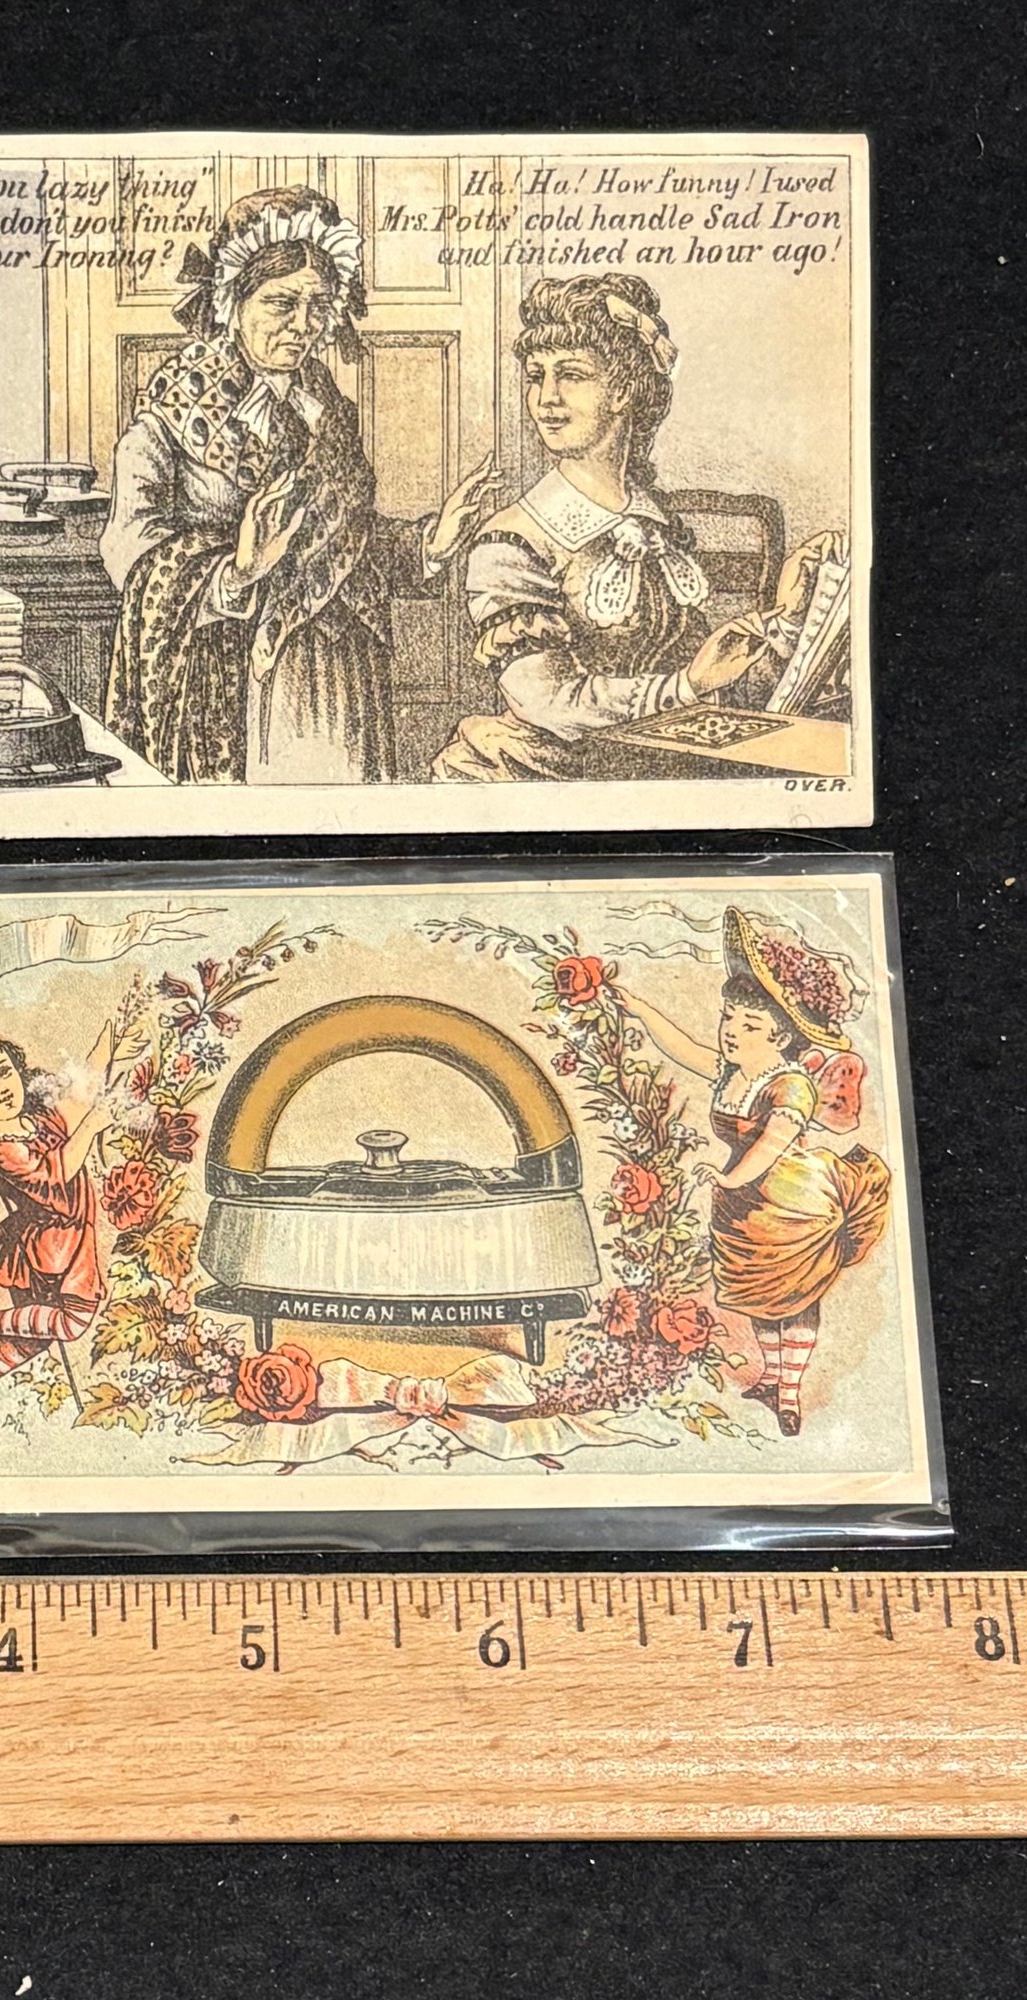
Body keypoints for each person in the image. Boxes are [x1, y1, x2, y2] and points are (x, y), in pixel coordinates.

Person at [100, 185, 500, 785]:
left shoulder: (326, 407)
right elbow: (128, 551)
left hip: (339, 676)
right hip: (225, 679)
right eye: (281, 304)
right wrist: (236, 572)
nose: (303, 326)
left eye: (317, 306)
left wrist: (429, 542)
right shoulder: (171, 412)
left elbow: (345, 541)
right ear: (232, 300)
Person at [432, 273, 846, 781]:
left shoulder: (657, 527)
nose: (546, 399)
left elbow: (718, 686)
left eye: (571, 375)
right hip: (539, 776)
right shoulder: (512, 541)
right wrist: (686, 686)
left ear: (624, 390)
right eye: (536, 376)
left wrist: (789, 616)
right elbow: (553, 703)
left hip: (652, 767)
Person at [617, 908, 891, 1435]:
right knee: (759, 1295)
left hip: (793, 1201)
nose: (731, 1032)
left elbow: (771, 1144)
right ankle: (770, 1376)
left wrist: (726, 1179)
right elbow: (684, 1049)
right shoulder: (733, 1074)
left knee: (795, 1293)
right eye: (728, 1019)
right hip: (745, 1206)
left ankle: (789, 1394)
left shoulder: (790, 1085)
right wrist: (639, 1008)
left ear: (781, 1038)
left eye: (749, 1026)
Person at [0, 1016, 130, 1438]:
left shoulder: (34, 1121)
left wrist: (108, 1042)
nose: (1, 1087)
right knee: (70, 1324)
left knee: (30, 1341)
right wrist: (93, 1126)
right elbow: (56, 1175)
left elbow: (76, 1099)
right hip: (52, 1247)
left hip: (71, 1234)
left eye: (3, 1071)